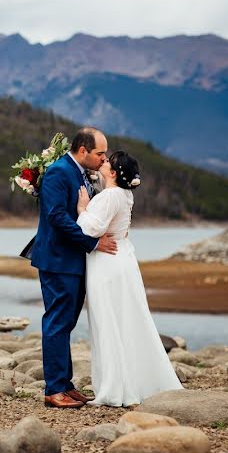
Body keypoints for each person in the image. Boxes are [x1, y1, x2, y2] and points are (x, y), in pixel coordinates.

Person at [77, 151, 184, 406]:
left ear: (113, 173)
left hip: (106, 264)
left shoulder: (110, 196)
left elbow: (89, 229)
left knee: (109, 321)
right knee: (128, 319)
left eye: (106, 162)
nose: (102, 162)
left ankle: (116, 386)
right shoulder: (125, 194)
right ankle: (137, 378)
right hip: (122, 259)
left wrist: (82, 208)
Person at [30, 127, 118, 409]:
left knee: (66, 322)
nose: (104, 159)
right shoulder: (59, 172)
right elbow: (56, 217)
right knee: (57, 321)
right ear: (83, 151)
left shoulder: (78, 171)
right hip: (58, 259)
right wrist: (92, 243)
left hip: (72, 261)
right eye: (99, 153)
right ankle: (53, 389)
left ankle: (65, 385)